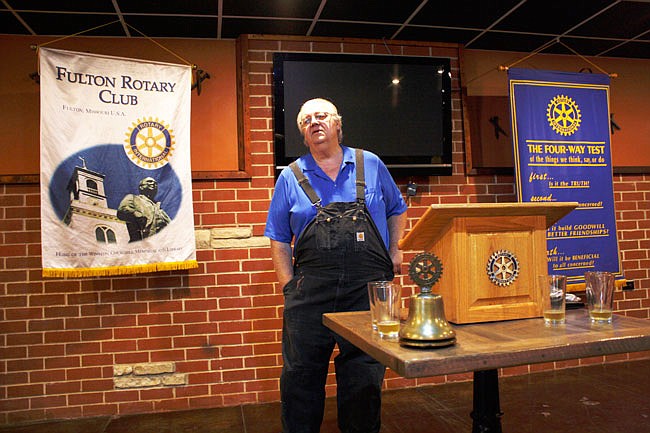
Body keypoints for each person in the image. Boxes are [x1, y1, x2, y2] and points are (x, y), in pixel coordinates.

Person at [265, 98, 408, 433]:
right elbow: (278, 237)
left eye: (322, 116)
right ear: (302, 132)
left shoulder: (369, 163)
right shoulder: (290, 176)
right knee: (301, 375)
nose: (316, 122)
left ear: (337, 124)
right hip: (310, 291)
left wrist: (395, 250)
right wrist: (289, 285)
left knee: (364, 374)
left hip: (367, 290)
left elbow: (397, 209)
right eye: (307, 120)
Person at [117, 177, 171, 242]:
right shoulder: (133, 198)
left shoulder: (159, 208)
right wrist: (138, 216)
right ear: (141, 187)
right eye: (149, 181)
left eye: (155, 183)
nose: (153, 183)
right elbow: (122, 211)